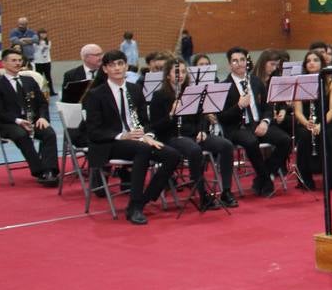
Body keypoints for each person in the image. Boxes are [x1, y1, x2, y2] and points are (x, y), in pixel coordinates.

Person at [81, 50, 184, 224]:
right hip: (110, 143)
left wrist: (148, 135)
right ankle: (134, 206)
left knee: (173, 155)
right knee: (142, 150)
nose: (117, 68)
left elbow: (145, 121)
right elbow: (93, 131)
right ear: (105, 69)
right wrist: (123, 135)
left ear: (126, 66)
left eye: (120, 64)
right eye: (112, 65)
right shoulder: (96, 94)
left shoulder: (135, 89)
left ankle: (144, 199)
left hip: (138, 141)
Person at [147, 57, 237, 209]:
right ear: (167, 75)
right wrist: (171, 114)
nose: (180, 75)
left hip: (193, 134)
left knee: (226, 145)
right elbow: (155, 127)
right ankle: (203, 196)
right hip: (172, 137)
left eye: (183, 71)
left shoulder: (191, 92)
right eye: (176, 72)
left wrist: (202, 130)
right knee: (194, 149)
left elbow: (202, 116)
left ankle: (226, 191)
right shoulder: (159, 96)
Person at [220, 47, 293, 197]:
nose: (239, 64)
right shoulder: (224, 86)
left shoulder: (255, 81)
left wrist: (265, 122)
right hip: (237, 128)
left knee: (285, 140)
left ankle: (262, 178)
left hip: (258, 123)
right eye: (235, 61)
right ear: (229, 65)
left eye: (242, 60)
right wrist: (239, 106)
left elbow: (267, 107)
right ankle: (266, 181)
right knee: (252, 142)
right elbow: (222, 118)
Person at [0, 47, 59, 185]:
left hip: (33, 120)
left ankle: (50, 170)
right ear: (4, 63)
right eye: (13, 60)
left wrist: (43, 117)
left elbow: (42, 103)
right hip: (9, 123)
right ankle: (40, 171)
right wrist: (19, 121)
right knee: (22, 134)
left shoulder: (29, 81)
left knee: (49, 133)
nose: (17, 63)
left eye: (20, 60)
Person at [293, 48, 332, 191]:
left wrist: (321, 125)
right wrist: (306, 123)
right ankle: (305, 180)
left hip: (326, 120)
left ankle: (331, 178)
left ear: (321, 63)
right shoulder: (299, 82)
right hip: (307, 122)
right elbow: (298, 111)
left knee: (329, 136)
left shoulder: (331, 83)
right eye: (308, 61)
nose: (311, 63)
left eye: (315, 60)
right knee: (303, 135)